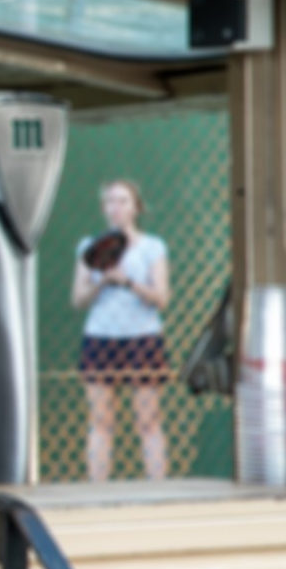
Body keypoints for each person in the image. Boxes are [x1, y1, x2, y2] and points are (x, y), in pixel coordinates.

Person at [72, 178, 172, 481]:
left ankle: (159, 493)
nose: (116, 207)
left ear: (136, 207)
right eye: (110, 201)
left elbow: (162, 298)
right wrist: (103, 279)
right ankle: (97, 492)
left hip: (142, 339)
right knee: (101, 421)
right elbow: (78, 299)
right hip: (101, 338)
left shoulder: (152, 247)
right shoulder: (89, 248)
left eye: (123, 201)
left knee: (148, 421)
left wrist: (128, 282)